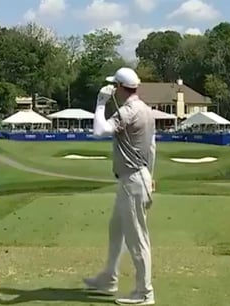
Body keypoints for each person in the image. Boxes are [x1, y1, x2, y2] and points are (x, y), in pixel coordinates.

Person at [83, 67, 157, 305]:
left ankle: (145, 292)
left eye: (114, 86)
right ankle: (109, 277)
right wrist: (151, 176)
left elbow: (98, 131)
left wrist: (100, 103)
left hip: (132, 180)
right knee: (116, 230)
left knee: (137, 239)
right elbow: (152, 148)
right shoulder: (146, 110)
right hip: (138, 176)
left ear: (120, 88)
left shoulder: (128, 111)